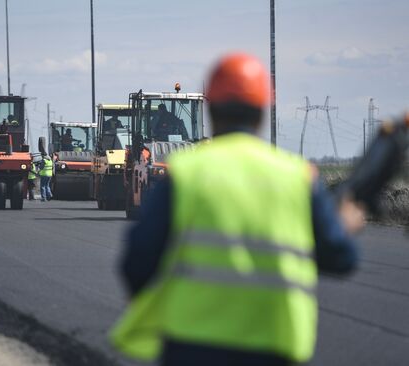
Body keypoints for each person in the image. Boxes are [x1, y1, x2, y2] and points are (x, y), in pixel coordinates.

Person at [110, 53, 365, 366]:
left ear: (211, 111)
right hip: (273, 349)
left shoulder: (187, 173)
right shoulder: (298, 177)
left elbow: (137, 259)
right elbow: (341, 257)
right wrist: (344, 225)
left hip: (191, 348)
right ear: (262, 113)